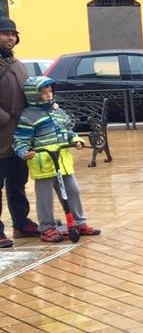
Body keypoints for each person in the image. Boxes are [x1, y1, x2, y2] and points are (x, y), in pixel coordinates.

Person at [13, 76, 100, 241]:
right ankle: (46, 227)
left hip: (62, 162)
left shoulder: (57, 111)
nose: (49, 95)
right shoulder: (28, 116)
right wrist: (25, 152)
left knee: (73, 191)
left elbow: (68, 131)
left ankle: (79, 222)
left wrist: (75, 140)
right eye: (44, 93)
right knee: (45, 197)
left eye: (50, 91)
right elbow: (20, 140)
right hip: (43, 164)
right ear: (34, 95)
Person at [0, 18, 37, 247]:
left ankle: (21, 224)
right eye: (5, 33)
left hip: (19, 138)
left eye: (13, 34)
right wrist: (5, 119)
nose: (10, 38)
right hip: (1, 134)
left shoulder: (17, 64)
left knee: (18, 183)